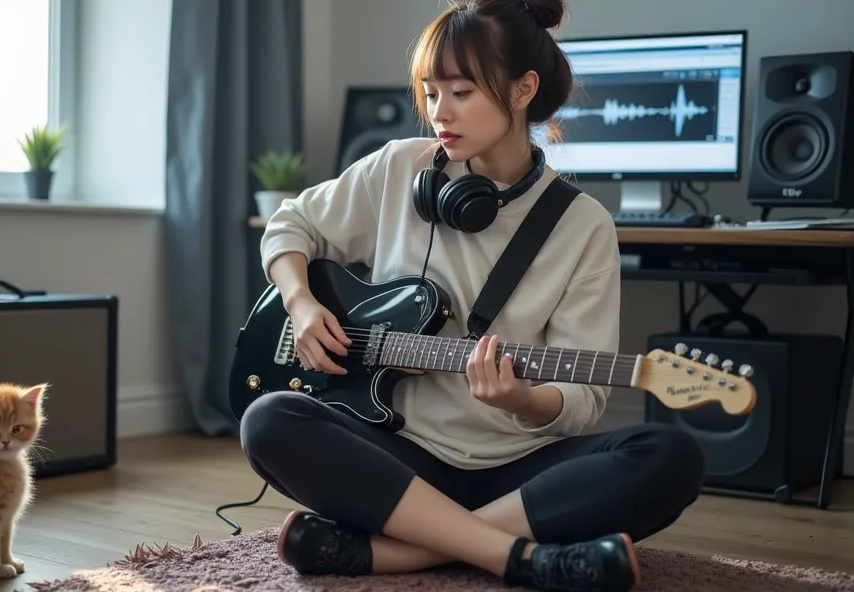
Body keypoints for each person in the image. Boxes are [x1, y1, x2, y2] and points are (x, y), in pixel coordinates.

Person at [239, 0, 706, 590]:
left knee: (669, 456)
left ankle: (402, 552)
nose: (440, 113)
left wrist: (523, 400)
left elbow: (583, 399)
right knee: (271, 419)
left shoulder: (582, 225)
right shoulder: (398, 169)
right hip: (395, 454)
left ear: (522, 90)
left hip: (514, 471)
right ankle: (521, 557)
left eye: (460, 92)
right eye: (431, 94)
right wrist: (301, 303)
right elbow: (289, 225)